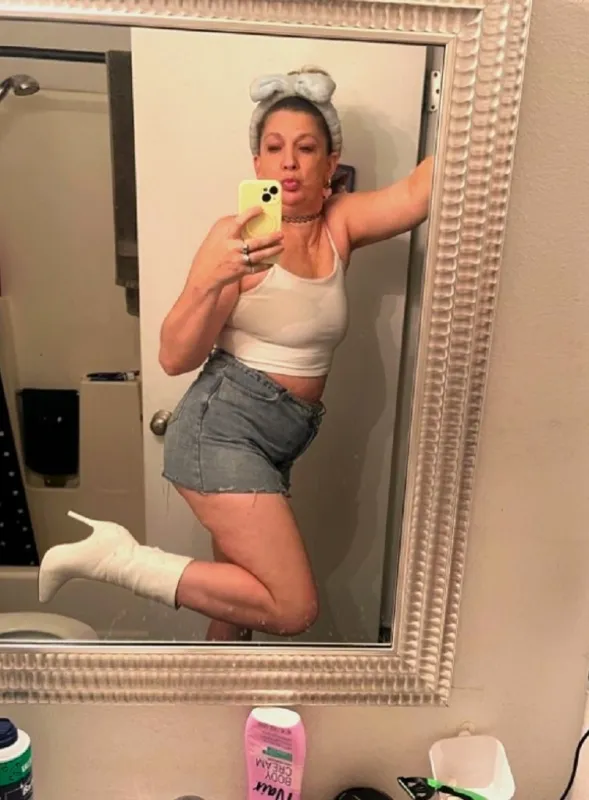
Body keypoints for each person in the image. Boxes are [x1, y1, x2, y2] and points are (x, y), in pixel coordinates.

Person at [39, 66, 433, 641]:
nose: (289, 162)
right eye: (274, 148)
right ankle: (118, 559)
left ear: (330, 163)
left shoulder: (339, 225)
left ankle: (217, 697)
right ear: (257, 164)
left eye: (306, 148)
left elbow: (420, 192)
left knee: (233, 615)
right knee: (291, 606)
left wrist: (483, 93)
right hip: (220, 431)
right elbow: (174, 357)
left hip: (277, 438)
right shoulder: (237, 235)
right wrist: (213, 278)